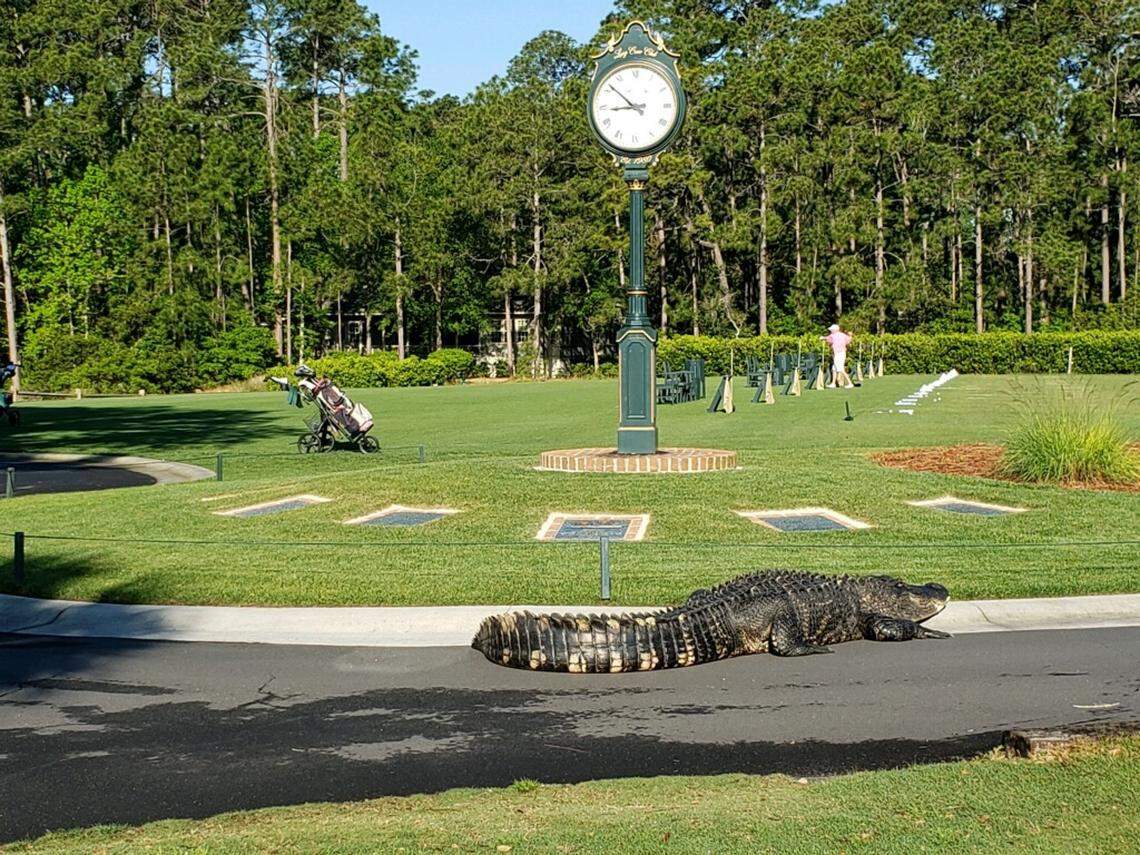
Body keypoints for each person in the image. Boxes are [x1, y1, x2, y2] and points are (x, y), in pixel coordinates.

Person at [821, 324, 854, 389]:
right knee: (834, 368)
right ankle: (833, 383)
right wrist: (850, 336)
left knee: (840, 368)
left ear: (834, 330)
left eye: (831, 330)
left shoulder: (833, 335)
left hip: (838, 353)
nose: (831, 331)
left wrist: (822, 338)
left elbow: (828, 339)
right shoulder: (843, 335)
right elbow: (848, 341)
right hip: (842, 353)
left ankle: (850, 383)